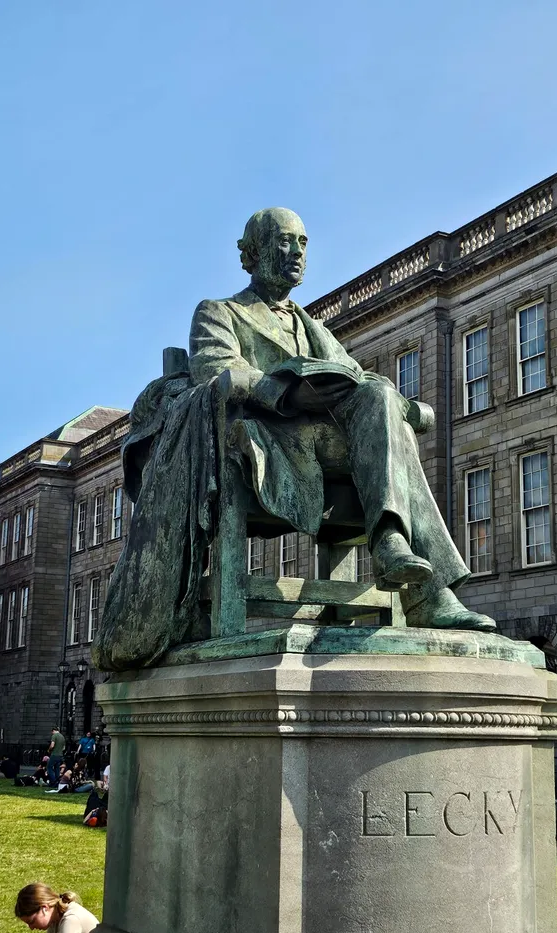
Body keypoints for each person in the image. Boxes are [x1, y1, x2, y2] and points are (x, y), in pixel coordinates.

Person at [93, 207, 495, 672]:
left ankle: (391, 543)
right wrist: (282, 390)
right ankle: (428, 592)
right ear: (253, 253)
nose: (297, 252)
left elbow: (354, 375)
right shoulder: (220, 312)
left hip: (330, 446)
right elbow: (215, 370)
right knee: (390, 423)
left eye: (302, 243)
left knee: (381, 392)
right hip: (265, 441)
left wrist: (395, 405)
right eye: (284, 241)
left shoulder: (314, 327)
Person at [14, 883, 98, 932]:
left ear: (44, 908)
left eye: (32, 921)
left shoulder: (71, 919)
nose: (31, 928)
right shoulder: (54, 919)